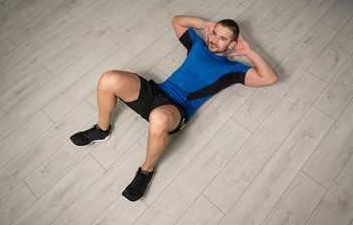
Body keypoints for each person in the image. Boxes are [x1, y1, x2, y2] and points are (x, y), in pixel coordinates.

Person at [70, 15, 278, 201]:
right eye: (214, 34)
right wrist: (205, 24)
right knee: (109, 78)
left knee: (158, 118)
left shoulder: (233, 69)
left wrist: (248, 51)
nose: (214, 40)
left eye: (222, 38)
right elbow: (177, 20)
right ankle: (102, 130)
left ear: (232, 44)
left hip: (176, 110)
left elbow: (269, 77)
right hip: (157, 92)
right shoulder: (197, 44)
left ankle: (145, 171)